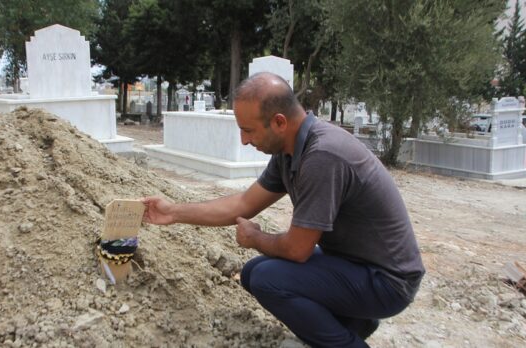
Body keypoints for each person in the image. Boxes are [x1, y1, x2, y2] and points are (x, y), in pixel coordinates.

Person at [141, 72, 424, 347]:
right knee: (255, 271)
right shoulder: (287, 152)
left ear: (279, 122)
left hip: (388, 282)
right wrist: (173, 212)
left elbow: (296, 250)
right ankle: (353, 325)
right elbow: (242, 204)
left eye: (248, 130)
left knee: (268, 279)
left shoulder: (322, 156)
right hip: (355, 264)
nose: (244, 140)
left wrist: (255, 239)